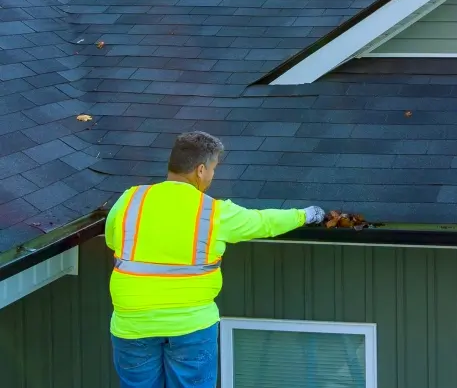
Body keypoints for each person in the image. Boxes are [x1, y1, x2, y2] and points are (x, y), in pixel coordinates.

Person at [105, 130, 325, 388]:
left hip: (132, 324)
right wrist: (306, 215)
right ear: (200, 170)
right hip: (190, 326)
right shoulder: (213, 212)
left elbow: (112, 240)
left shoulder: (130, 200)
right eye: (212, 169)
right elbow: (264, 222)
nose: (212, 176)